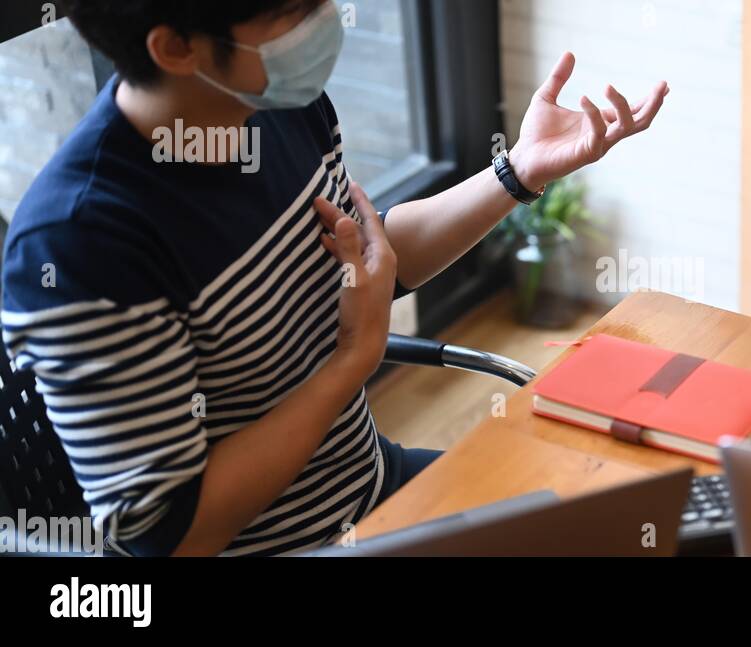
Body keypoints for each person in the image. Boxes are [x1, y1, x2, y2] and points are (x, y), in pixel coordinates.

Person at [1, 0, 668, 555]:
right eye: (295, 11)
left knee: (632, 524)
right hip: (287, 548)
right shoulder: (83, 242)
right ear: (177, 48)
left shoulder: (276, 102)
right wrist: (351, 362)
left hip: (371, 489)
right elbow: (170, 535)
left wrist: (519, 171)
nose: (325, 20)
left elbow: (372, 259)